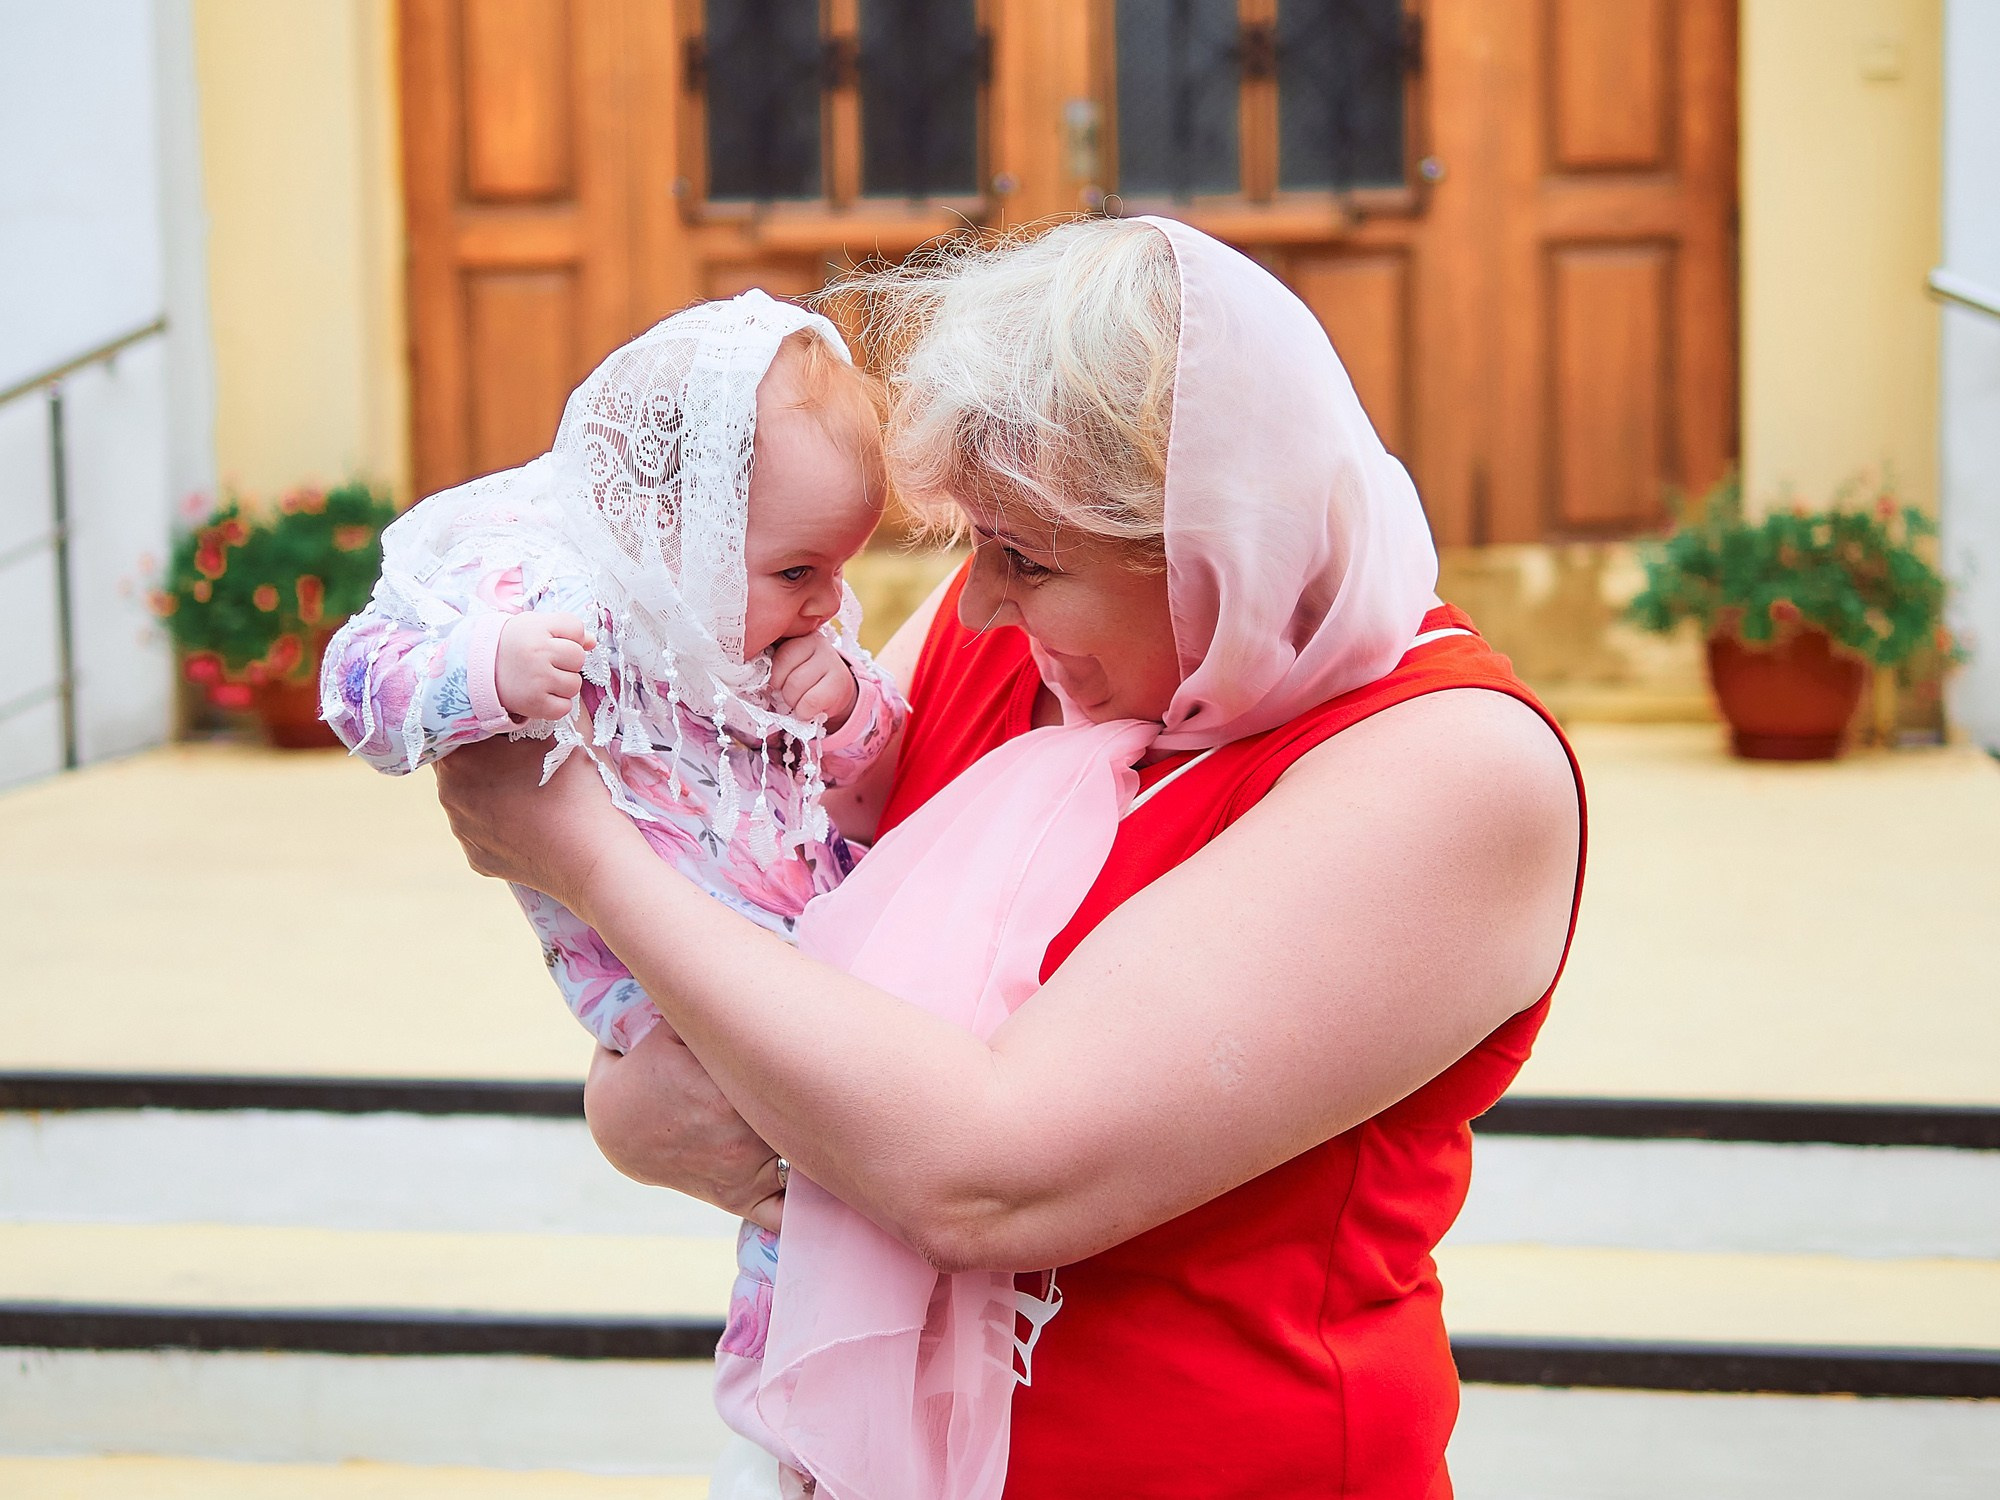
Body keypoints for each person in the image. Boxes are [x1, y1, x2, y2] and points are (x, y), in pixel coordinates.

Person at [432, 217, 1587, 1499]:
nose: (975, 600)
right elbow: (734, 975)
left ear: (1214, 543)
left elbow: (979, 1179)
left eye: (1028, 558)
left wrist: (583, 857)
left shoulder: (1451, 767)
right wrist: (633, 1106)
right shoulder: (1011, 635)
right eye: (975, 543)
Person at [319, 290, 905, 1476]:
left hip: (808, 953)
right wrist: (483, 669)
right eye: (797, 568)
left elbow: (875, 766)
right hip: (669, 993)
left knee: (843, 1202)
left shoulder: (772, 637)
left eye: (837, 569)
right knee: (799, 1222)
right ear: (674, 528)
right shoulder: (546, 586)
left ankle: (835, 1430)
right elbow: (357, 683)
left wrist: (846, 705)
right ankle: (782, 1434)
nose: (824, 602)